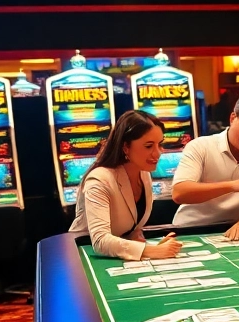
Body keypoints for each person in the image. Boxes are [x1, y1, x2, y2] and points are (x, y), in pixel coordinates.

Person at [69, 110, 183, 261]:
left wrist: (138, 238)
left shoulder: (144, 175)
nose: (158, 153)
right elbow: (100, 241)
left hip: (114, 257)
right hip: (82, 258)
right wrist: (151, 251)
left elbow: (128, 227)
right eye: (149, 146)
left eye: (160, 144)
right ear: (125, 147)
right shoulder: (99, 180)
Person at [171, 90, 239, 240]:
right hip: (189, 232)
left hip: (235, 233)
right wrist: (233, 186)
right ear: (233, 118)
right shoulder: (200, 146)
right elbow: (179, 193)